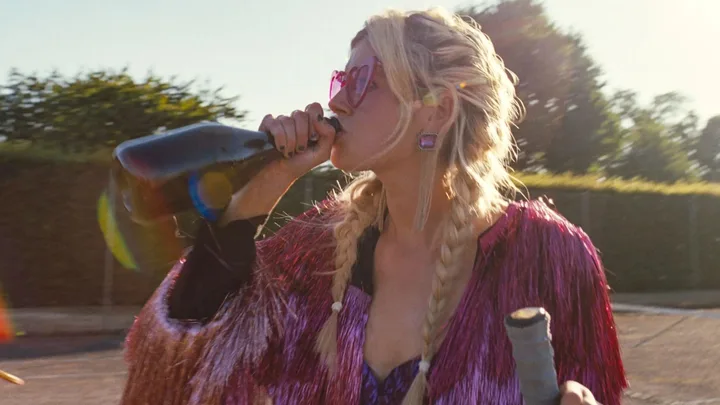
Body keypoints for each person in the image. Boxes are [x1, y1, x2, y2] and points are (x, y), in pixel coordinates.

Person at [120, 7, 627, 405]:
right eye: (340, 81)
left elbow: (592, 388)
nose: (337, 102)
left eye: (363, 82)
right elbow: (178, 362)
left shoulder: (549, 257)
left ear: (439, 110)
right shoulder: (318, 249)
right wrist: (269, 179)